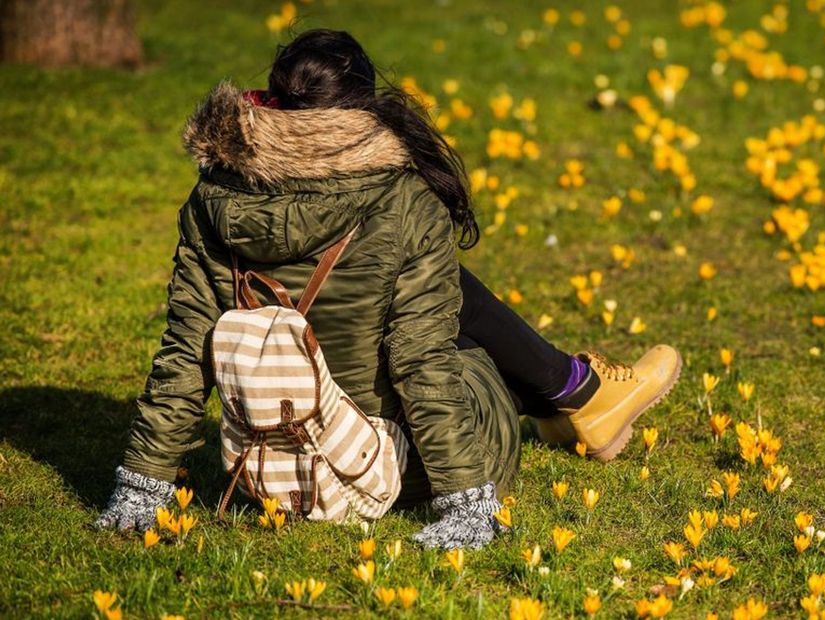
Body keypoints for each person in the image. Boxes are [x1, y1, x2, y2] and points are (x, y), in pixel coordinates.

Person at [93, 29, 682, 549]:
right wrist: (467, 504)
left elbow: (184, 353)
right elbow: (420, 360)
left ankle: (569, 399)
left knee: (428, 291)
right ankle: (574, 393)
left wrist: (140, 489)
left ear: (272, 104)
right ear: (363, 109)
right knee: (455, 320)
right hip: (407, 470)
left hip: (273, 473)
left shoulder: (212, 199)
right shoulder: (400, 198)